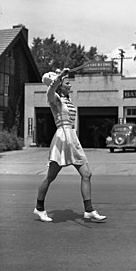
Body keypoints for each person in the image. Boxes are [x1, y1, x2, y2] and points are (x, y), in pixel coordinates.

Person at [33, 68, 106, 222]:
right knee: (50, 177)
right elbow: (51, 90)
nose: (70, 86)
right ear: (60, 85)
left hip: (72, 138)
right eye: (67, 83)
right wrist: (59, 76)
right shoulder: (54, 98)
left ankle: (89, 210)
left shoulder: (67, 100)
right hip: (62, 139)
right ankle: (39, 208)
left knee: (87, 174)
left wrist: (61, 77)